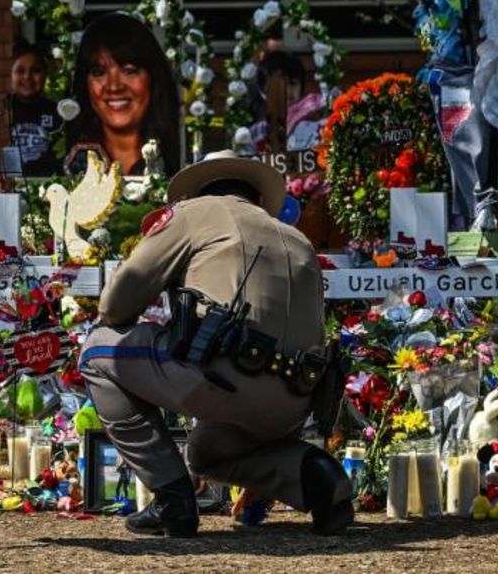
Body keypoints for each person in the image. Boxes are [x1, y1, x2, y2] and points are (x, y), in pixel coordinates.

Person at [78, 150, 352, 538]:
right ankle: (316, 475)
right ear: (256, 196)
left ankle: (172, 500)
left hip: (221, 373)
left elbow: (114, 305)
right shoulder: (298, 239)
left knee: (96, 350)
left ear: (200, 191)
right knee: (207, 454)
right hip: (295, 402)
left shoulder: (194, 213)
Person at [68, 13, 181, 177]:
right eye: (99, 72)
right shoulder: (68, 163)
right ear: (84, 85)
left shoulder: (185, 158)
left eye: (129, 71)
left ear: (153, 78)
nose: (114, 86)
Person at [8, 39, 62, 177]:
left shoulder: (58, 113)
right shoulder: (1, 111)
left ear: (45, 74)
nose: (27, 77)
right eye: (20, 71)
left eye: (35, 71)